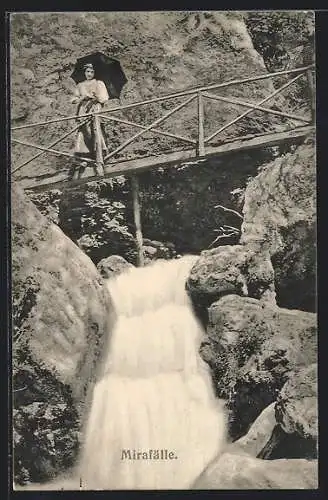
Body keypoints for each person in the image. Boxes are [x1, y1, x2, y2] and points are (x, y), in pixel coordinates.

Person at [71, 63, 109, 179]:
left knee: (96, 132)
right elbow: (73, 99)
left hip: (94, 110)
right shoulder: (80, 85)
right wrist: (81, 98)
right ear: (84, 73)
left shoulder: (99, 83)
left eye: (92, 72)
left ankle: (99, 161)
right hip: (83, 110)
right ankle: (84, 158)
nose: (89, 74)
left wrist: (94, 97)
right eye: (87, 72)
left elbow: (104, 98)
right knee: (84, 133)